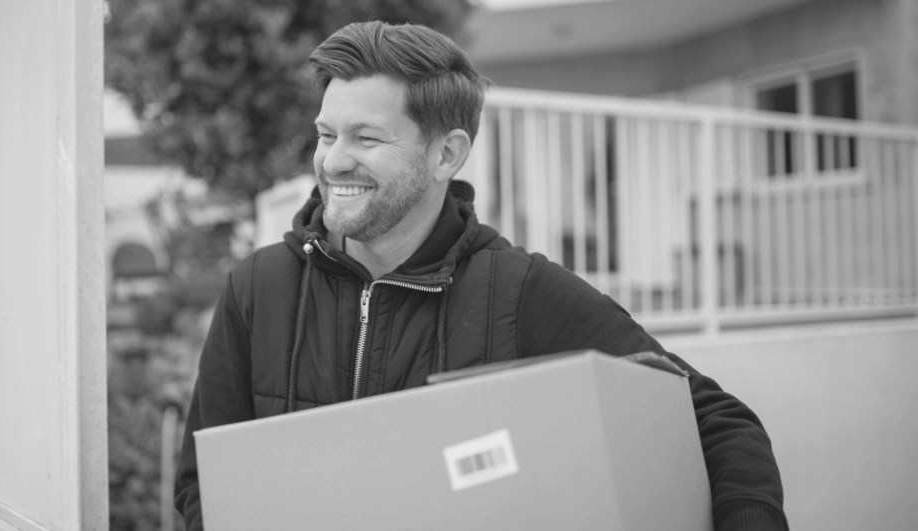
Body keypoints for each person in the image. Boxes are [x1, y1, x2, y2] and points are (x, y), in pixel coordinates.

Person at [175, 21, 787, 531]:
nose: (333, 160)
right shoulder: (256, 290)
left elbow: (717, 423)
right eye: (327, 134)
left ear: (446, 154)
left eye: (365, 137)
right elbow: (203, 484)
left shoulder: (520, 292)